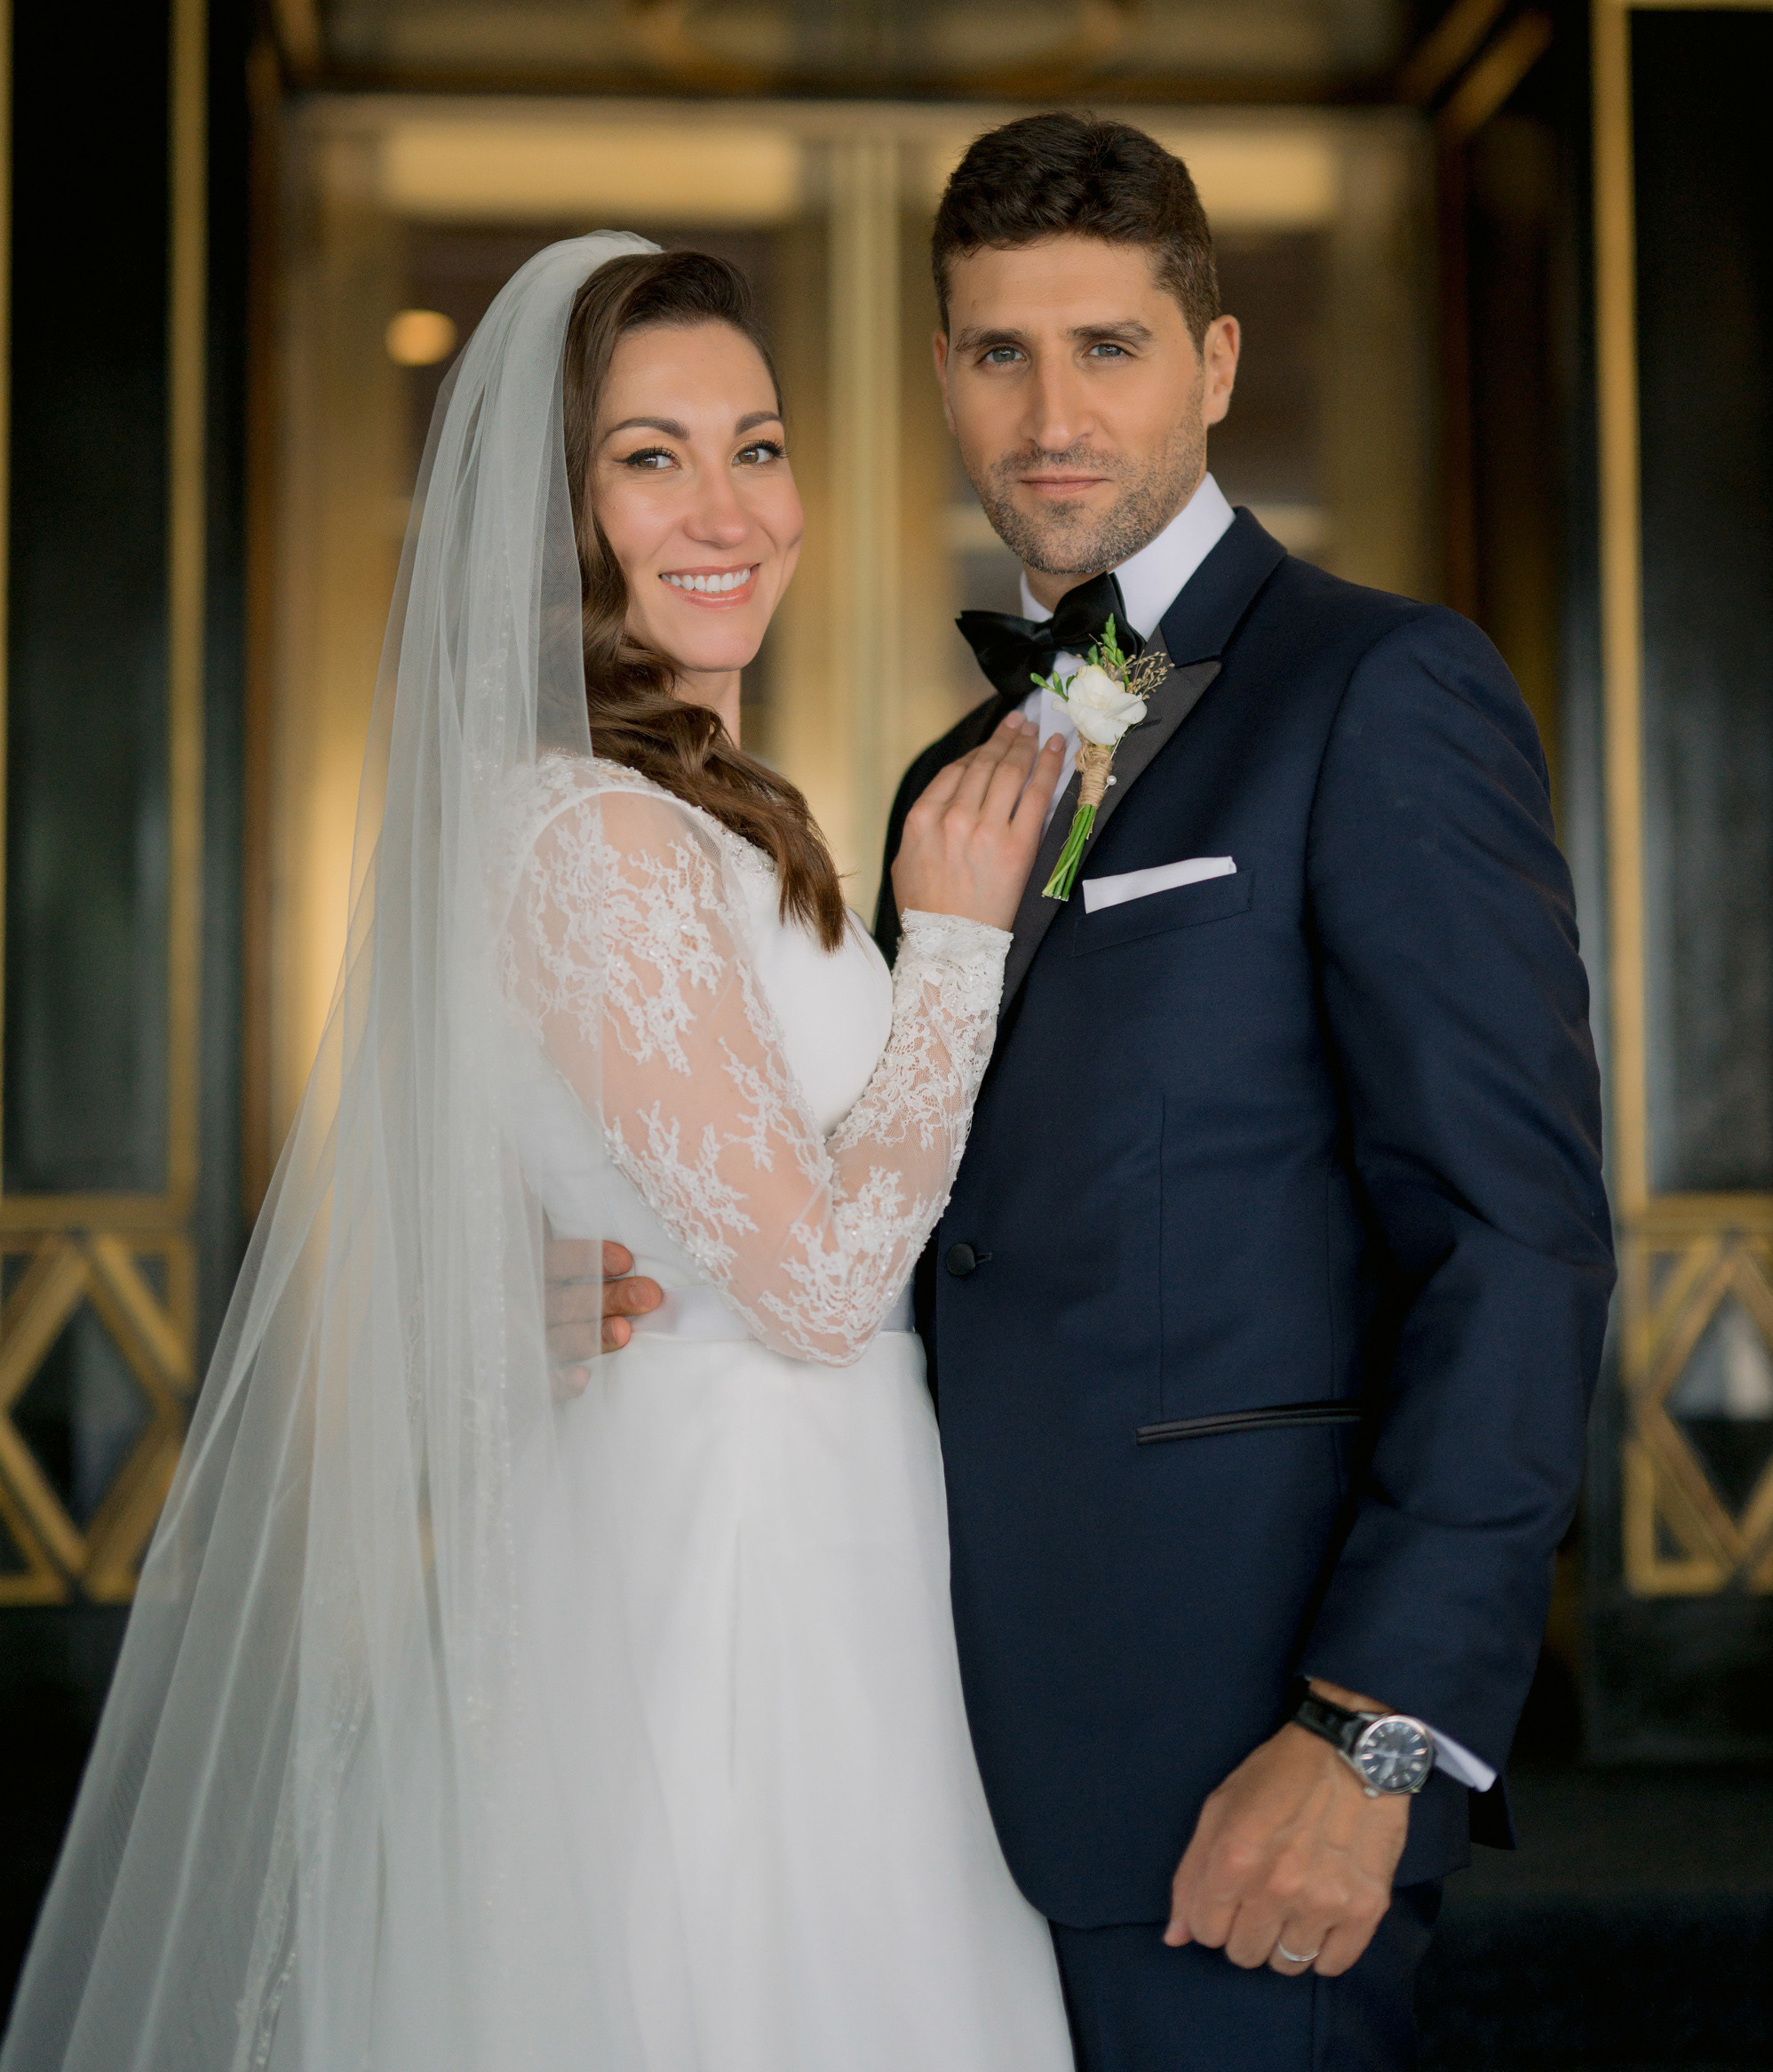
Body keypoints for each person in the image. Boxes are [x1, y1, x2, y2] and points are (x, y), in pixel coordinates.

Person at [557, 115, 1616, 2072]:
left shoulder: (1382, 691)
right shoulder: (944, 780)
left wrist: (1366, 1734)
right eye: (993, 353)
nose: (1048, 414)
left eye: (1106, 348)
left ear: (1211, 365)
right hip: (915, 1761)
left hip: (1242, 1768)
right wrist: (570, 1281)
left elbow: (1515, 1241)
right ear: (943, 377)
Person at [0, 235, 1075, 2072]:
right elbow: (817, 1287)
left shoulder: (703, 810)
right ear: (555, 514)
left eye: (756, 442)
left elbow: (591, 1172)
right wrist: (957, 942)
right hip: (734, 1550)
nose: (725, 504)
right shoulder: (585, 832)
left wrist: (533, 1273)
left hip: (816, 1523)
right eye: (648, 456)